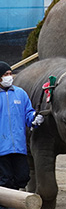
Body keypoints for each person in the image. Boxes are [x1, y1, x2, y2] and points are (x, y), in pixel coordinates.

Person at [0, 61, 44, 191]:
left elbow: (28, 112)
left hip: (18, 146)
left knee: (22, 177)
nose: (9, 77)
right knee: (5, 179)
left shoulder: (20, 94)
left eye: (10, 74)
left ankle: (12, 204)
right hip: (2, 148)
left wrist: (34, 118)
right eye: (5, 74)